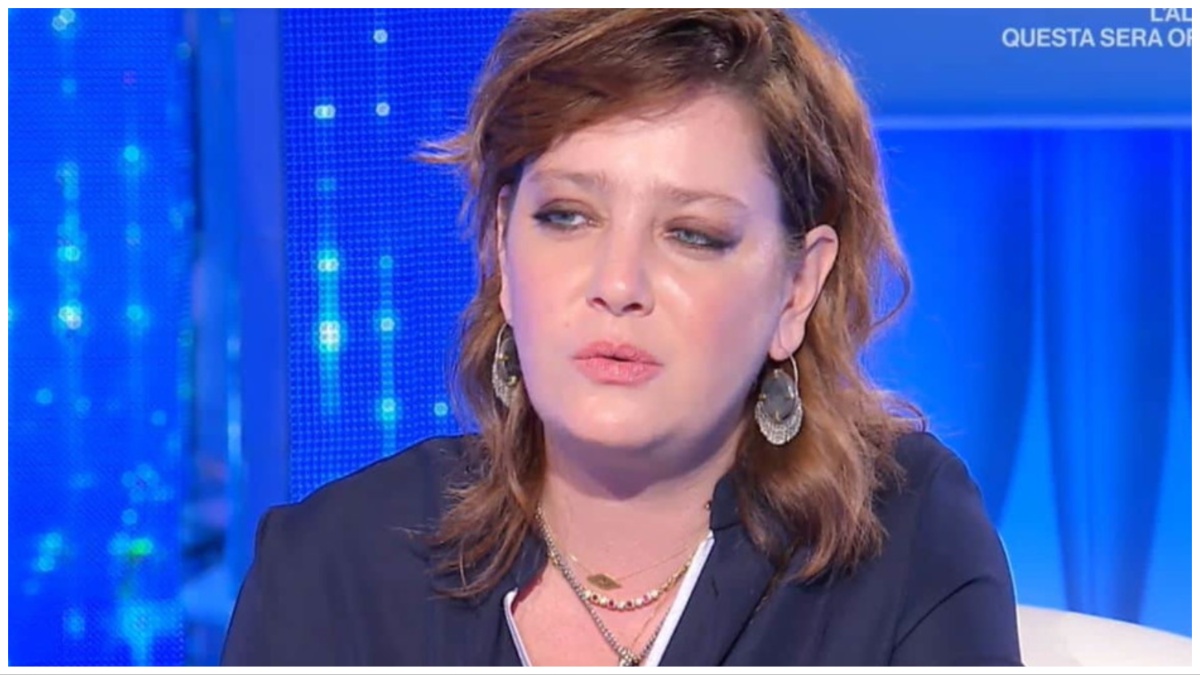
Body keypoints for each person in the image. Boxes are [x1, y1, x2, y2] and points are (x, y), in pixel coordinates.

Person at [221, 8, 1021, 667]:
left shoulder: (906, 535)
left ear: (797, 287)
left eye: (693, 234)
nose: (618, 283)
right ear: (501, 245)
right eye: (568, 216)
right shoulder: (332, 561)